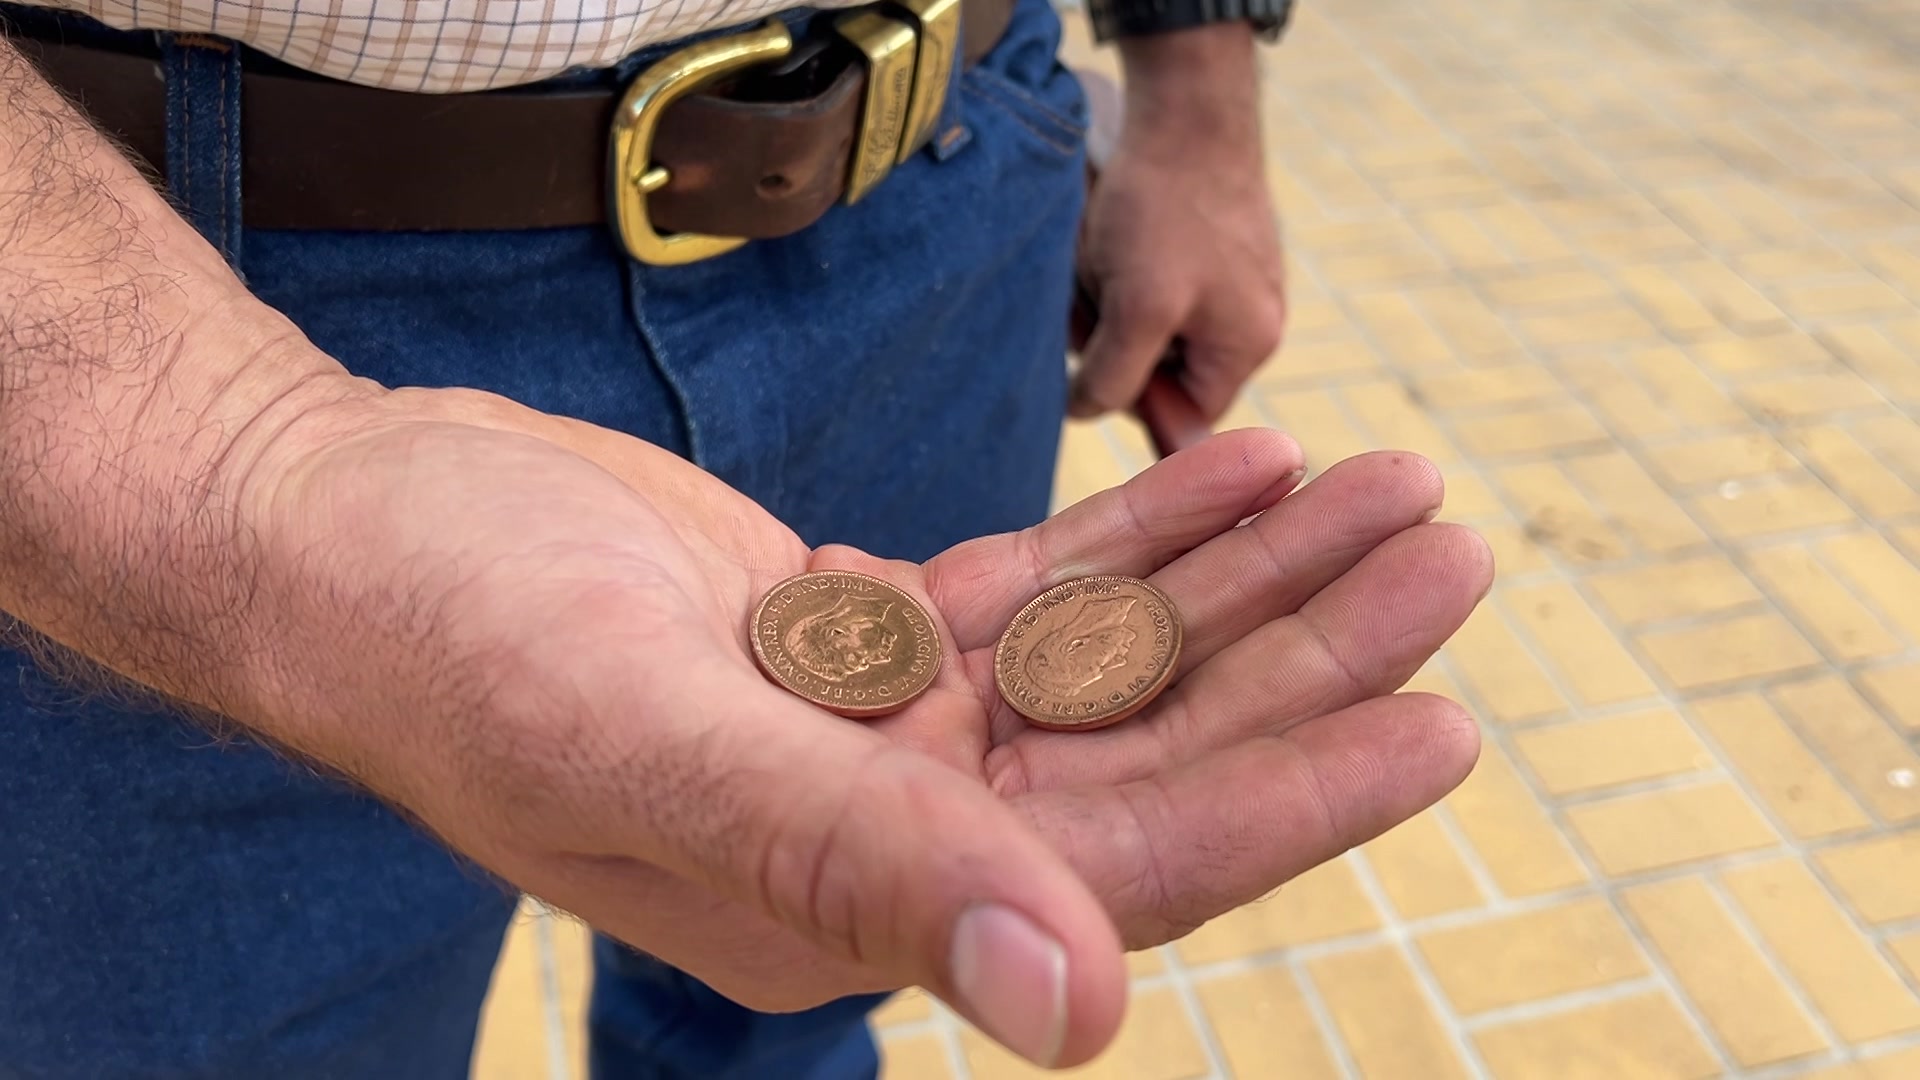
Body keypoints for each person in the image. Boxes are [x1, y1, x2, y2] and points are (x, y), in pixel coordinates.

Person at [0, 0, 1492, 1072]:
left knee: (799, 1018)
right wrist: (232, 453)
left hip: (946, 189)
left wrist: (1197, 79)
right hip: (152, 276)